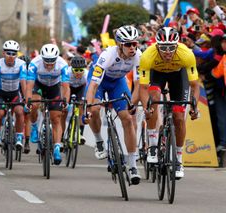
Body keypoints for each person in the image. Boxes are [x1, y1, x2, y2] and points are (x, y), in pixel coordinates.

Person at [139, 27, 200, 178]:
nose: (167, 51)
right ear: (157, 45)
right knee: (153, 99)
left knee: (179, 117)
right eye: (163, 47)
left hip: (178, 76)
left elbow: (194, 86)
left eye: (171, 47)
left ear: (177, 45)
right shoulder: (148, 55)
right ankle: (153, 146)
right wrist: (147, 108)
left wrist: (194, 107)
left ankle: (178, 160)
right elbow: (143, 87)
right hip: (157, 74)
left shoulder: (186, 54)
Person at [85, 25, 141, 184]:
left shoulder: (138, 56)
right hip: (100, 83)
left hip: (118, 83)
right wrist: (88, 108)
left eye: (135, 43)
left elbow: (138, 85)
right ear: (120, 45)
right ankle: (99, 142)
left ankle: (132, 165)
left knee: (128, 119)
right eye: (128, 44)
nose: (132, 47)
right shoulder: (107, 56)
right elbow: (93, 86)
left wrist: (133, 104)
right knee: (95, 110)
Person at [25, 43, 70, 165]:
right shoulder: (35, 63)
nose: (49, 64)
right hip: (39, 86)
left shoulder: (63, 64)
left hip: (54, 87)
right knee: (34, 104)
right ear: (42, 58)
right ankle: (34, 126)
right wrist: (27, 101)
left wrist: (65, 101)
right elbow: (29, 85)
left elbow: (66, 86)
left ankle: (56, 148)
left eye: (52, 62)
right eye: (47, 61)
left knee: (56, 118)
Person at [0, 40, 27, 150]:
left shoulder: (21, 64)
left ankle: (19, 136)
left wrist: (25, 97)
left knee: (20, 111)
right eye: (8, 53)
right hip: (1, 93)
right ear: (3, 53)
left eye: (13, 54)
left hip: (15, 93)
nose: (11, 56)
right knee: (0, 114)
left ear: (17, 54)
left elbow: (23, 81)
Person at [61, 56, 88, 145]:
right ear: (72, 69)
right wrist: (64, 101)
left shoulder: (86, 75)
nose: (79, 72)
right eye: (76, 70)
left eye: (81, 70)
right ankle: (61, 134)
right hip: (68, 88)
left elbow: (89, 90)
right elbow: (64, 88)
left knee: (81, 107)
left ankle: (80, 133)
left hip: (80, 89)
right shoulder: (67, 72)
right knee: (63, 111)